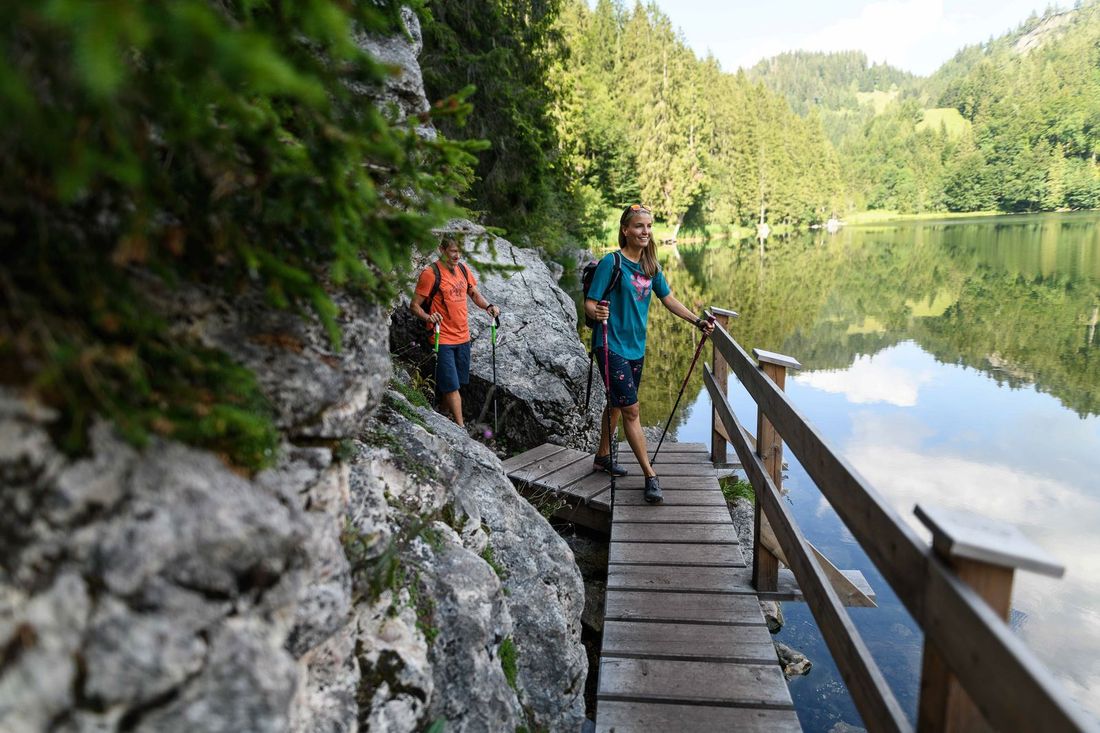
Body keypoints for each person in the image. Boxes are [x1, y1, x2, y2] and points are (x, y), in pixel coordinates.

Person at [584, 204, 714, 504]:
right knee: (631, 409)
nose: (646, 231)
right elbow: (590, 305)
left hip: (635, 348)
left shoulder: (650, 266)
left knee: (617, 405)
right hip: (609, 345)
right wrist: (599, 310)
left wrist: (697, 321)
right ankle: (650, 475)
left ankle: (602, 457)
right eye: (640, 226)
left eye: (649, 226)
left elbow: (668, 299)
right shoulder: (612, 263)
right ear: (626, 230)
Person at [410, 236, 501, 427]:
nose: (457, 256)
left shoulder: (462, 269)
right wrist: (428, 318)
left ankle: (443, 413)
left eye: (460, 251)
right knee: (452, 386)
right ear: (441, 250)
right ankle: (461, 428)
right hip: (442, 337)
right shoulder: (430, 274)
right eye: (453, 251)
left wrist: (488, 306)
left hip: (463, 336)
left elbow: (474, 293)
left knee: (456, 382)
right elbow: (414, 306)